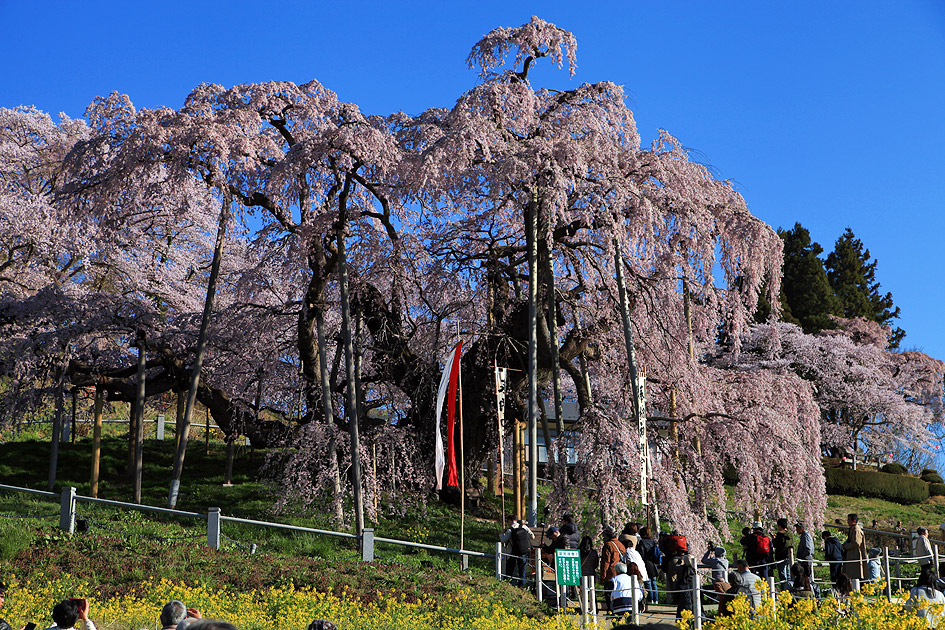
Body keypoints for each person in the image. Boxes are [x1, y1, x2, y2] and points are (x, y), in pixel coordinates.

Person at [636, 527, 661, 604]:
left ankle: (650, 599)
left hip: (646, 563)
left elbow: (641, 554)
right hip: (653, 564)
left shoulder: (641, 542)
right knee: (654, 582)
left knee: (648, 582)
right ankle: (656, 599)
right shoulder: (653, 542)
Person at [842, 513, 867, 582]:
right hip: (851, 556)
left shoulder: (857, 530)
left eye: (849, 520)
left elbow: (856, 543)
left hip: (855, 556)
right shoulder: (852, 529)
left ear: (854, 521)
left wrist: (845, 546)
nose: (847, 521)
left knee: (855, 577)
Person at [772, 518, 793, 585]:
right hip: (789, 557)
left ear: (780, 526)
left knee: (783, 576)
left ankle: (784, 591)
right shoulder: (789, 534)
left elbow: (776, 545)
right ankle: (789, 588)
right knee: (789, 575)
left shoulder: (780, 536)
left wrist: (773, 539)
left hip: (781, 557)